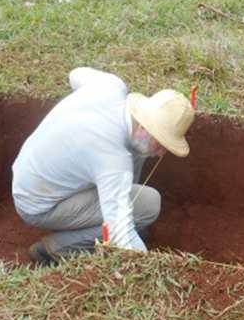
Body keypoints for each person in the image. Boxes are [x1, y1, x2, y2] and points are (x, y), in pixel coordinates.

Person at [12, 67, 194, 265]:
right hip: (39, 205)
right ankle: (55, 248)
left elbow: (76, 74)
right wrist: (149, 268)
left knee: (141, 151)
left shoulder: (111, 86)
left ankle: (118, 205)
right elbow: (120, 234)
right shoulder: (113, 159)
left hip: (30, 176)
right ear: (144, 127)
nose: (161, 153)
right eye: (161, 143)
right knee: (149, 204)